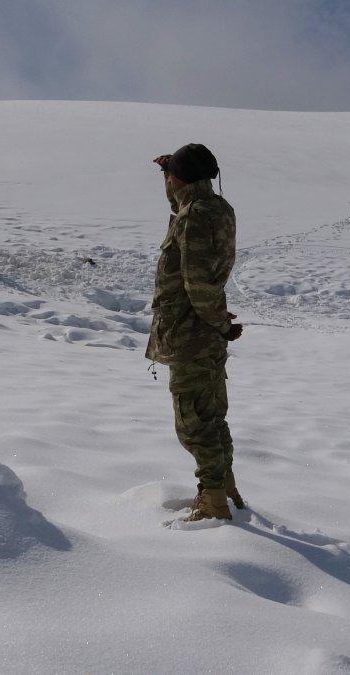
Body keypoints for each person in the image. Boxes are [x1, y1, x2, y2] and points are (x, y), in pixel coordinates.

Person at [148, 143, 243, 522]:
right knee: (212, 415)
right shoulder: (218, 209)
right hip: (207, 334)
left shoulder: (192, 218)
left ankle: (213, 503)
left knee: (193, 423)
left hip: (192, 334)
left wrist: (220, 324)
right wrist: (171, 172)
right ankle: (224, 486)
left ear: (181, 180)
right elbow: (180, 203)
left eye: (172, 177)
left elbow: (198, 285)